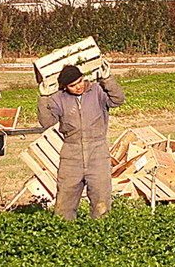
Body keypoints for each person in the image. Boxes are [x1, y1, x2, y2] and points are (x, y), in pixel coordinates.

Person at [37, 63, 125, 220]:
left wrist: (107, 79)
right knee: (65, 200)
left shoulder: (97, 91)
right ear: (64, 87)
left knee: (101, 199)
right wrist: (43, 99)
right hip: (71, 154)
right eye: (73, 85)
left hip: (97, 151)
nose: (78, 87)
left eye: (80, 81)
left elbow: (118, 100)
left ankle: (99, 234)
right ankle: (66, 234)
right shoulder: (58, 99)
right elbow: (46, 122)